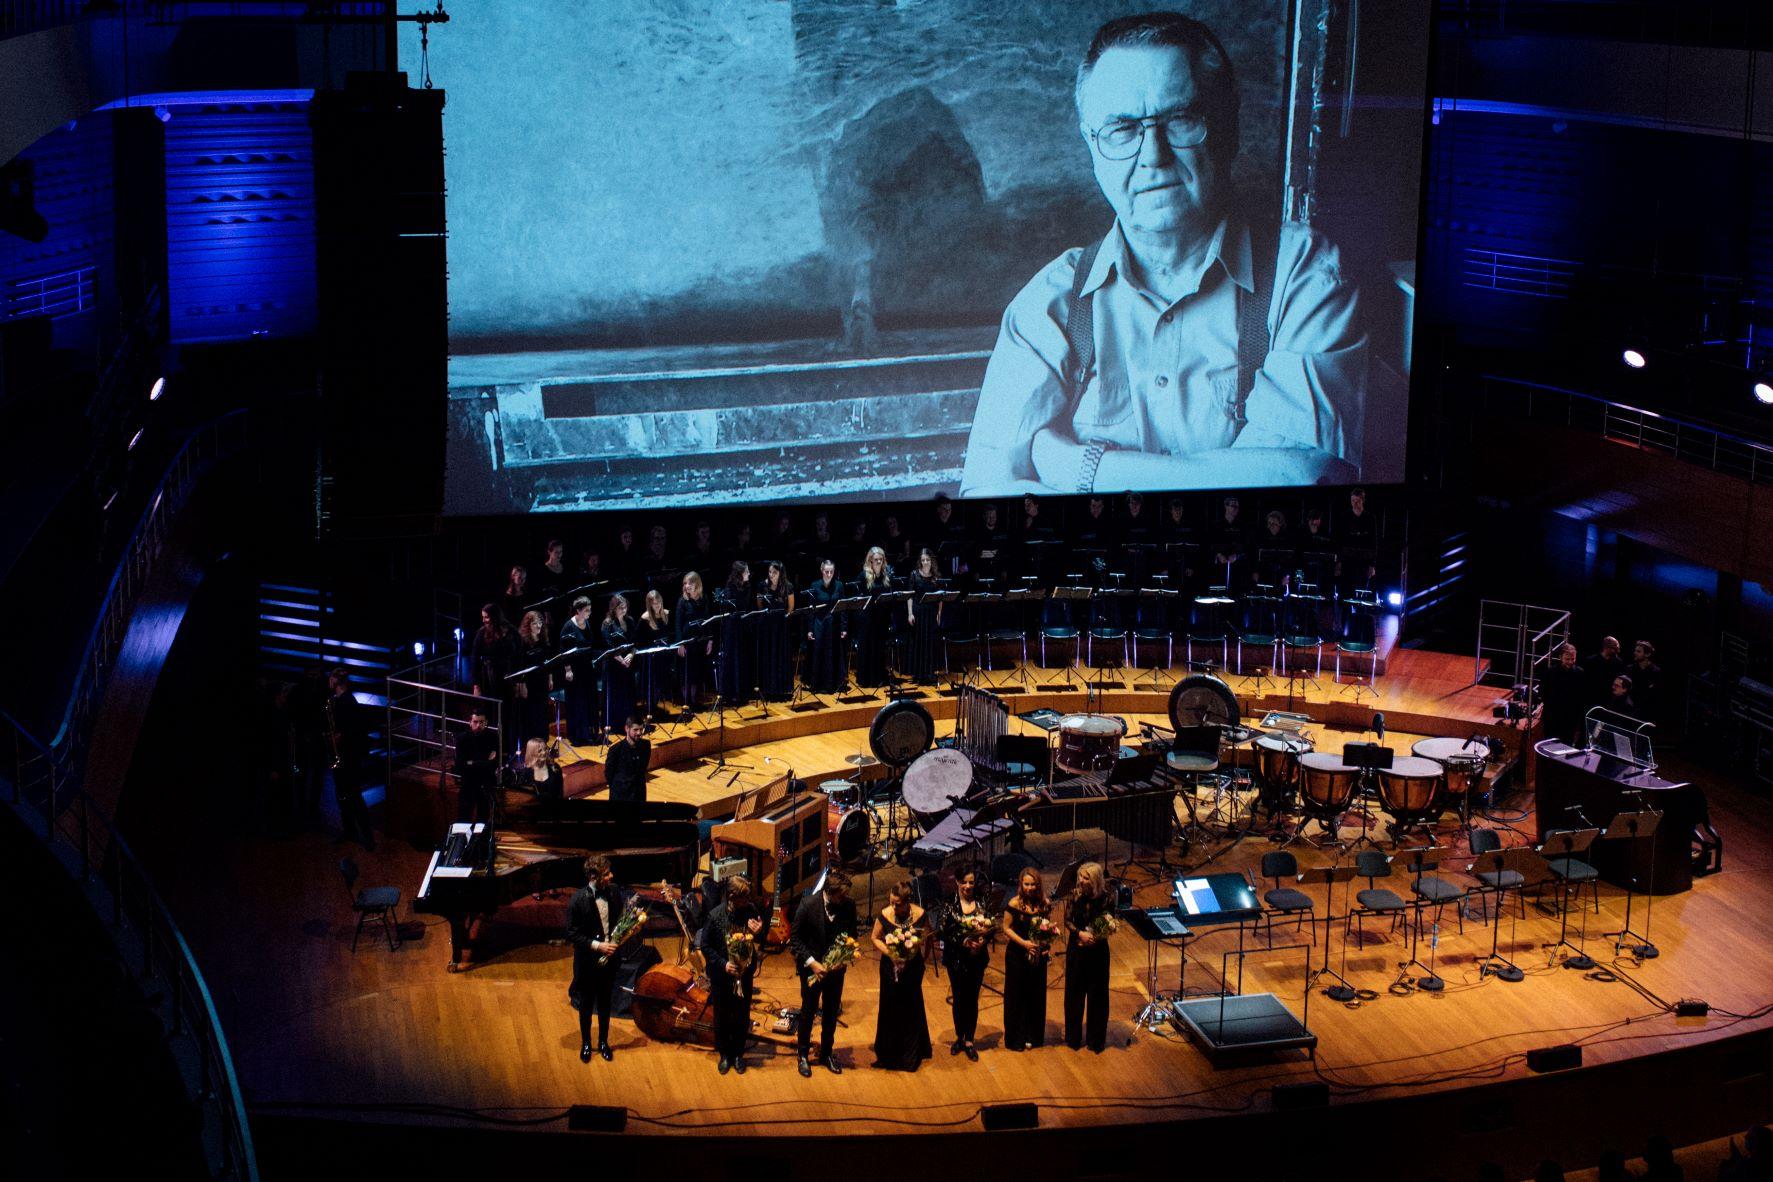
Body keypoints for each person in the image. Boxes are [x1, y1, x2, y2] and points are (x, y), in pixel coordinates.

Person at [959, 12, 1364, 497]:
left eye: (1180, 119)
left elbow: (1298, 486)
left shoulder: (1306, 278)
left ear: (1227, 129)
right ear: (1092, 145)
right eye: (1122, 129)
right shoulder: (1049, 306)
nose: (1152, 154)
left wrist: (1077, 470)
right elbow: (987, 494)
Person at [790, 868, 859, 1077]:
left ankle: (827, 1053)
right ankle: (802, 1055)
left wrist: (845, 957)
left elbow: (853, 936)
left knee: (830, 1013)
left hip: (836, 972)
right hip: (812, 970)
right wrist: (812, 963)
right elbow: (795, 939)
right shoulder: (808, 905)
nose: (845, 898)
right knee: (808, 1012)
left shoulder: (849, 906)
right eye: (842, 894)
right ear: (829, 891)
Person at [699, 876, 764, 1074]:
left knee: (742, 1015)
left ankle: (738, 1055)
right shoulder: (715, 916)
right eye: (744, 898)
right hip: (722, 975)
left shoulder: (750, 910)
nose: (748, 901)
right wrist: (723, 964)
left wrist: (760, 932)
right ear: (732, 897)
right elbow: (705, 946)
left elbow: (760, 939)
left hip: (744, 975)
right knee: (723, 1016)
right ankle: (725, 1054)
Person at [567, 855, 628, 1062]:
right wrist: (598, 946)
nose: (611, 876)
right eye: (606, 874)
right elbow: (572, 934)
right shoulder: (577, 900)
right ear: (593, 876)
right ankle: (586, 1043)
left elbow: (619, 920)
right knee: (586, 1005)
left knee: (604, 1003)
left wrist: (619, 939)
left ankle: (603, 1041)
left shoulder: (613, 892)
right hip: (587, 963)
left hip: (609, 961)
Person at [869, 880, 933, 1071]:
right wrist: (892, 954)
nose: (893, 907)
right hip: (890, 968)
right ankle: (888, 1055)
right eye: (891, 902)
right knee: (889, 1008)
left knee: (911, 1008)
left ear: (907, 902)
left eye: (898, 904)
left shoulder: (920, 915)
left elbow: (928, 937)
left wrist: (923, 958)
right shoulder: (885, 915)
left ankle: (910, 1056)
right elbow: (874, 938)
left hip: (912, 968)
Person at [940, 863, 993, 1060]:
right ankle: (959, 1037)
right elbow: (943, 930)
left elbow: (990, 926)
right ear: (957, 882)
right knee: (959, 998)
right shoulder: (949, 902)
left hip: (977, 958)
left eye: (971, 882)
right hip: (956, 959)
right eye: (964, 882)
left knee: (972, 998)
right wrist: (963, 941)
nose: (968, 886)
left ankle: (969, 1039)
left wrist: (983, 939)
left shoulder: (981, 900)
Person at [1063, 862, 1116, 1052]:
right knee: (1074, 994)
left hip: (1098, 950)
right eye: (1080, 877)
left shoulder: (1107, 897)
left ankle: (1096, 1040)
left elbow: (1110, 921)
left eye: (1086, 878)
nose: (1081, 881)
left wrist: (1097, 936)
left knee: (1098, 995)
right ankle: (1073, 1038)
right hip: (1077, 948)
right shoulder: (1073, 895)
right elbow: (1067, 921)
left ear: (1095, 880)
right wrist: (1080, 934)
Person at [1001, 866, 1053, 1051]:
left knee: (1035, 996)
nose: (1030, 888)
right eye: (1027, 884)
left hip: (1036, 956)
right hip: (1017, 955)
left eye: (1033, 884)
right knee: (1016, 996)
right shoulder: (1014, 904)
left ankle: (1033, 1035)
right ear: (1021, 884)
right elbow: (1006, 928)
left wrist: (1046, 947)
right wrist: (1025, 944)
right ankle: (1016, 1037)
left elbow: (1047, 928)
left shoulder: (1044, 904)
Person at [326, 668, 376, 849]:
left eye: (330, 679)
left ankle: (367, 837)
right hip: (340, 756)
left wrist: (341, 736)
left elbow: (357, 730)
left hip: (349, 757)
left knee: (354, 796)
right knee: (343, 796)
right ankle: (349, 831)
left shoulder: (348, 702)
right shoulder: (337, 700)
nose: (328, 682)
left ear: (335, 681)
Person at [558, 596, 600, 747]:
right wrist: (568, 670)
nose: (589, 612)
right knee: (578, 702)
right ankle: (577, 736)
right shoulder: (568, 627)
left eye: (590, 609)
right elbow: (564, 651)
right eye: (587, 610)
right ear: (578, 611)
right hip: (574, 671)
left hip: (587, 668)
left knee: (590, 700)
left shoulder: (587, 623)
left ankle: (589, 733)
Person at [802, 559, 848, 695]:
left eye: (831, 572)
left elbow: (843, 608)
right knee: (819, 653)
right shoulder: (814, 586)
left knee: (833, 653)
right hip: (819, 624)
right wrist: (810, 629)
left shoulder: (839, 585)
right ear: (822, 571)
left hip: (834, 624)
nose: (829, 574)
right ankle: (817, 684)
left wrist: (844, 627)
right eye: (826, 572)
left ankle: (832, 684)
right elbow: (811, 609)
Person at [714, 561, 756, 705]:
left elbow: (747, 606)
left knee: (744, 659)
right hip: (732, 629)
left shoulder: (748, 586)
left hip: (744, 627)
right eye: (746, 572)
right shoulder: (729, 588)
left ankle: (743, 692)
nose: (749, 574)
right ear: (739, 574)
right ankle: (732, 693)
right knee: (733, 659)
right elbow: (729, 608)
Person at [854, 546, 895, 688]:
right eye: (875, 560)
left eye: (880, 560)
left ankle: (879, 677)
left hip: (881, 618)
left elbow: (890, 595)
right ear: (870, 560)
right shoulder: (863, 575)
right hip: (867, 618)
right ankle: (866, 679)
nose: (878, 562)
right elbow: (860, 597)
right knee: (868, 647)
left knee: (879, 648)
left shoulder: (886, 575)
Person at [453, 706, 501, 825]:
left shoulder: (493, 736)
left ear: (486, 722)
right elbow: (460, 765)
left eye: (481, 722)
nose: (478, 725)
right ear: (470, 723)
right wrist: (483, 763)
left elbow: (494, 763)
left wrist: (472, 763)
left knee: (483, 819)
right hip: (468, 783)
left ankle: (480, 842)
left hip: (486, 783)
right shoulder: (462, 739)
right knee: (464, 818)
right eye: (475, 722)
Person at [755, 561, 796, 699]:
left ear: (780, 573)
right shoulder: (762, 585)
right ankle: (767, 688)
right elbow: (759, 605)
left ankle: (781, 689)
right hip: (767, 626)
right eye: (770, 572)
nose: (771, 575)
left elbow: (790, 607)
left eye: (775, 572)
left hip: (781, 626)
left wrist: (783, 618)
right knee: (768, 655)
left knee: (781, 655)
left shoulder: (788, 586)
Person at [513, 610, 552, 752]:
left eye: (540, 622)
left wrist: (550, 677)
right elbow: (519, 665)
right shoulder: (522, 642)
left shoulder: (543, 639)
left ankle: (543, 743)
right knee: (530, 713)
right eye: (535, 623)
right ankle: (530, 745)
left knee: (542, 712)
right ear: (528, 625)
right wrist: (521, 685)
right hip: (529, 682)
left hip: (541, 680)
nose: (538, 626)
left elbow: (547, 661)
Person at [674, 571, 713, 712]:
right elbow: (678, 624)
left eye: (689, 583)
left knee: (697, 672)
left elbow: (708, 620)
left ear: (697, 584)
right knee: (687, 674)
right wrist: (680, 644)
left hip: (700, 642)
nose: (687, 586)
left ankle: (694, 700)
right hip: (687, 643)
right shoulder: (682, 601)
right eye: (685, 583)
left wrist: (710, 640)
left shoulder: (704, 599)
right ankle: (686, 703)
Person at [599, 594, 637, 734]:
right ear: (614, 608)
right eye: (621, 607)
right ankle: (614, 726)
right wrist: (622, 660)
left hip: (628, 663)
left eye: (625, 607)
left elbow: (635, 642)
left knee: (628, 694)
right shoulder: (607, 623)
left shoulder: (630, 621)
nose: (624, 610)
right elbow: (609, 646)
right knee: (615, 696)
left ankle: (627, 724)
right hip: (613, 666)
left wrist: (631, 655)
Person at [905, 548, 943, 683]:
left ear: (931, 560)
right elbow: (909, 596)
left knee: (930, 643)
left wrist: (939, 614)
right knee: (919, 643)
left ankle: (930, 673)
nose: (925, 562)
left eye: (927, 560)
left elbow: (940, 597)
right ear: (920, 561)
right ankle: (919, 674)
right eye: (923, 560)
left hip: (931, 613)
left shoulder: (935, 576)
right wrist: (910, 613)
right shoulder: (914, 575)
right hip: (918, 613)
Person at [636, 589, 674, 718]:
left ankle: (655, 707)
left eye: (658, 602)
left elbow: (671, 635)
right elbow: (637, 640)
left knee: (661, 683)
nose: (657, 605)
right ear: (649, 604)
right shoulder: (645, 618)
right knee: (653, 684)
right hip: (650, 659)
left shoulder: (667, 614)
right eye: (654, 603)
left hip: (664, 657)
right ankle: (650, 709)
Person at [1539, 643, 1587, 745]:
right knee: (1549, 743)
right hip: (1552, 715)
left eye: (1573, 659)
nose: (1570, 662)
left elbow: (1581, 696)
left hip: (1570, 717)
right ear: (1560, 657)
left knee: (1566, 744)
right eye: (1567, 659)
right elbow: (1543, 692)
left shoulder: (1580, 673)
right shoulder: (1551, 672)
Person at [604, 716, 650, 804]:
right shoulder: (615, 750)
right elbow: (609, 774)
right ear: (627, 729)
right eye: (635, 730)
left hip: (639, 795)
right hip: (620, 796)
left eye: (641, 729)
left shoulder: (646, 745)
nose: (639, 733)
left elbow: (643, 767)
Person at [1586, 635, 1627, 708]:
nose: (1618, 651)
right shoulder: (1591, 661)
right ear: (1606, 648)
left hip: (1610, 701)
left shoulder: (1619, 663)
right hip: (1592, 700)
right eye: (1615, 648)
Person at [519, 737, 563, 804]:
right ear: (532, 753)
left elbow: (560, 794)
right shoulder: (525, 773)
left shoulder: (555, 768)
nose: (544, 752)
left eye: (545, 749)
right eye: (540, 751)